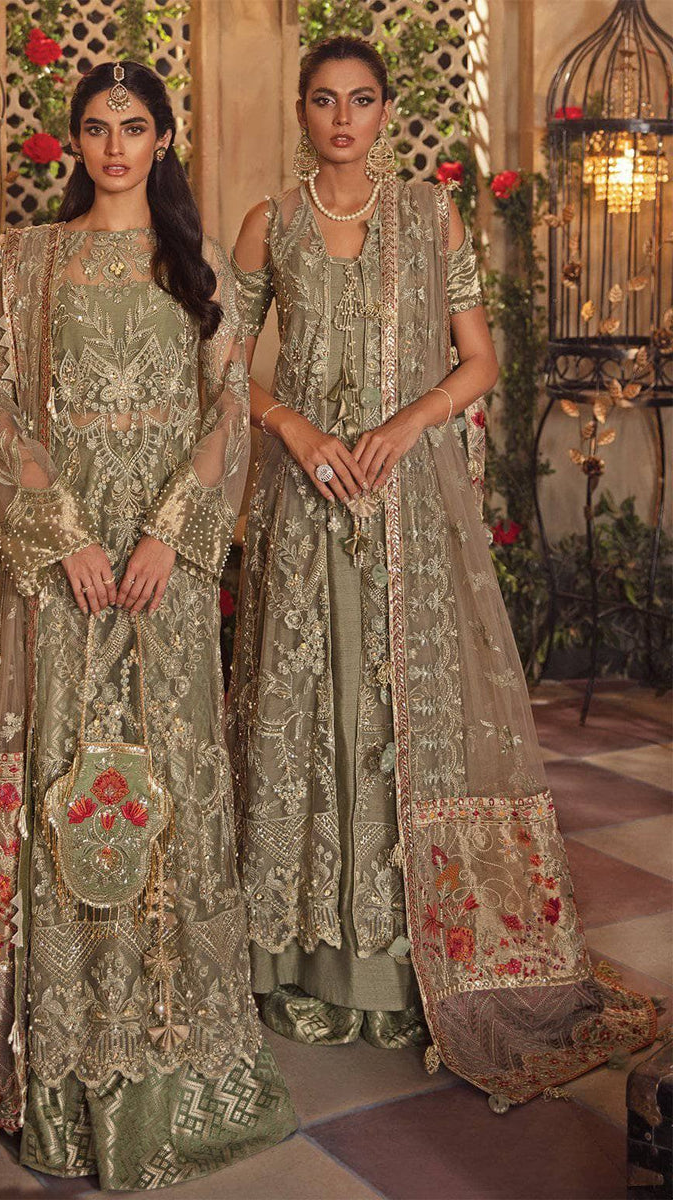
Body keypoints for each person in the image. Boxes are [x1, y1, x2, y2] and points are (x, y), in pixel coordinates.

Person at [227, 35, 656, 1108]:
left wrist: (404, 423)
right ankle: (301, 959)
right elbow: (223, 366)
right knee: (307, 715)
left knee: (402, 718)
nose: (342, 119)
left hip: (404, 506)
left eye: (361, 100)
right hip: (303, 506)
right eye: (323, 100)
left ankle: (408, 959)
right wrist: (291, 426)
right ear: (300, 111)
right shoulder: (269, 224)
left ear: (386, 111)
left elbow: (479, 360)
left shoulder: (431, 217)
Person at [0, 61, 296, 1189]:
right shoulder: (30, 261)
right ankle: (62, 1068)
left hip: (163, 580)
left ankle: (170, 1049)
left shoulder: (202, 270)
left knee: (167, 790)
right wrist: (67, 538)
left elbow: (226, 414)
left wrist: (168, 538)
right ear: (75, 141)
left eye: (132, 127)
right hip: (60, 578)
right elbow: (1, 408)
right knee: (64, 787)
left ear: (162, 140)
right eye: (94, 127)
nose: (112, 146)